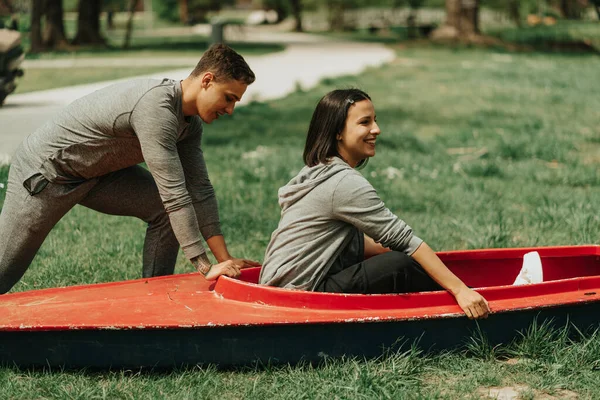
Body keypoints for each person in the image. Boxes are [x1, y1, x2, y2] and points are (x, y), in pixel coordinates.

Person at [0, 43, 259, 294]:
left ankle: (157, 300)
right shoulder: (157, 108)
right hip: (45, 173)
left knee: (162, 211)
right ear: (207, 80)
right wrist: (204, 266)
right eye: (228, 98)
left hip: (97, 173)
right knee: (4, 271)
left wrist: (226, 262)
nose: (231, 109)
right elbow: (174, 194)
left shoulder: (190, 125)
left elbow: (200, 190)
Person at [259, 88, 490, 319]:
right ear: (337, 132)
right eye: (364, 122)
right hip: (299, 298)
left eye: (375, 120)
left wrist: (424, 262)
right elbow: (404, 240)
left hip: (275, 289)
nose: (376, 130)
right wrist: (460, 289)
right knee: (399, 264)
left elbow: (355, 241)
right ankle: (461, 307)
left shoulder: (319, 170)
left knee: (400, 257)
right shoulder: (343, 182)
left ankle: (460, 291)